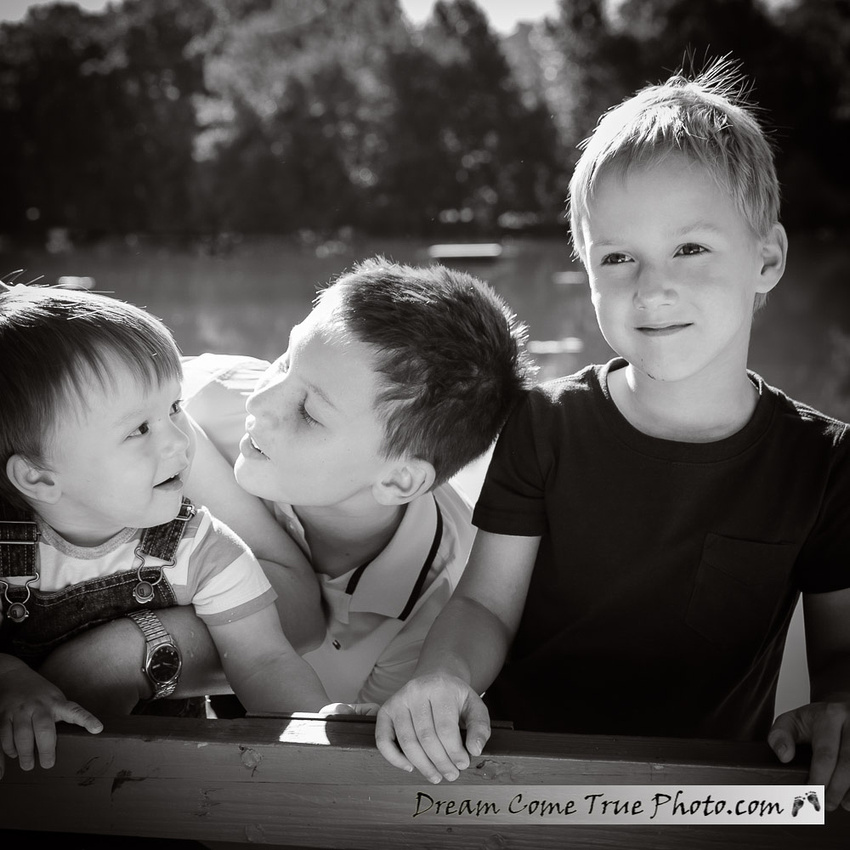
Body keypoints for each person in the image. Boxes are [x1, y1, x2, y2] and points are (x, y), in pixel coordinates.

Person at [374, 62, 850, 812]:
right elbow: (486, 606)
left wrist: (838, 707)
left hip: (711, 803)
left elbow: (838, 655)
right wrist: (445, 680)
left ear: (767, 259)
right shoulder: (547, 422)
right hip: (516, 781)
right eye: (617, 257)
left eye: (690, 249)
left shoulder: (823, 463)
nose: (650, 287)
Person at [37, 257, 536, 709]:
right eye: (285, 360)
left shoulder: (440, 613)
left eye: (309, 412)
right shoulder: (196, 402)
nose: (262, 403)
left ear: (400, 477)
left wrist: (138, 648)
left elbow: (336, 764)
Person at [0, 283, 330, 779]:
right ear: (40, 478)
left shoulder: (203, 549)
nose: (179, 441)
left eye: (175, 408)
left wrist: (318, 730)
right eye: (139, 430)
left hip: (162, 790)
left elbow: (263, 661)